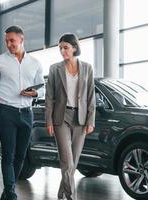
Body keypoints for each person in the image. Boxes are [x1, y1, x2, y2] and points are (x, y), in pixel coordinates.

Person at [0, 25, 44, 200]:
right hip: (7, 112)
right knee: (8, 154)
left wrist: (35, 93)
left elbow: (41, 87)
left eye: (12, 40)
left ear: (22, 39)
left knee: (20, 155)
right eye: (6, 41)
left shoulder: (35, 63)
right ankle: (12, 193)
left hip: (27, 113)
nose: (8, 44)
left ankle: (7, 193)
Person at [45, 33, 95, 200]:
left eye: (65, 47)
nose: (62, 51)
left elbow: (90, 96)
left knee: (73, 162)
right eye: (60, 48)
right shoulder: (54, 69)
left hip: (80, 119)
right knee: (67, 162)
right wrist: (49, 120)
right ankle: (71, 197)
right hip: (61, 118)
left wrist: (90, 119)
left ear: (74, 48)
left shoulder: (87, 68)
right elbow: (49, 97)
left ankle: (61, 192)